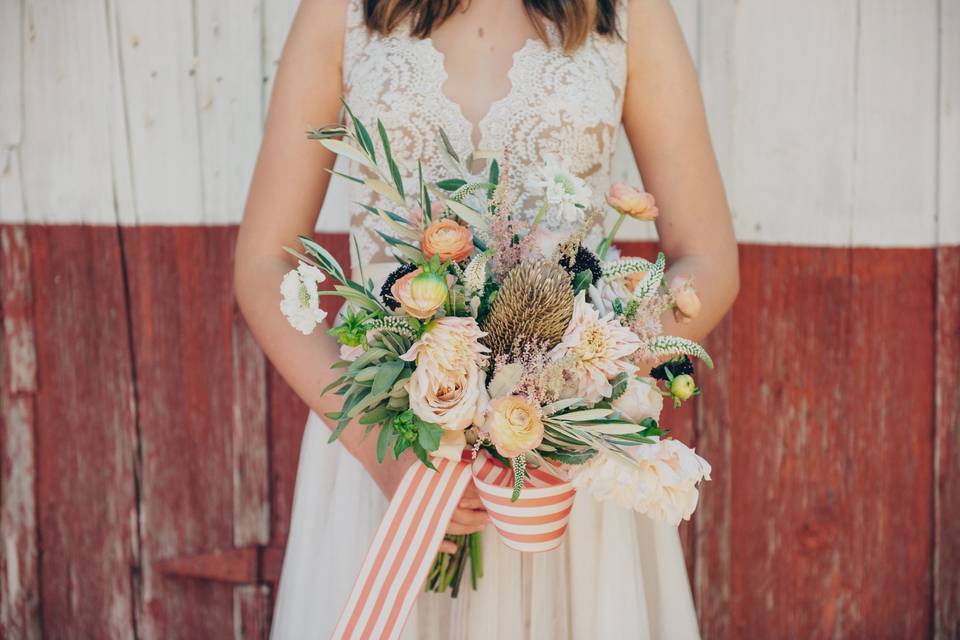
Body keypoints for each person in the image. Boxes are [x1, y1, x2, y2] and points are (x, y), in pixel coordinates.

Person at [235, 0, 739, 636]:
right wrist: (379, 448)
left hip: (567, 465)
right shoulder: (341, 10)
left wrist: (583, 377)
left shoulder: (628, 11)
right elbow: (262, 264)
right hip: (387, 442)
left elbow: (710, 258)